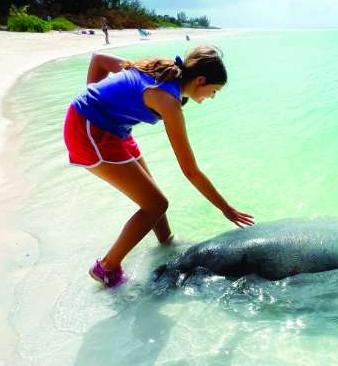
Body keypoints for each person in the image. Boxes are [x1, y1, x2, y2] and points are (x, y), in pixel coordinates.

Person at [63, 45, 254, 288]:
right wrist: (226, 209)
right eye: (213, 91)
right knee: (156, 204)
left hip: (114, 131)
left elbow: (99, 59)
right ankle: (107, 267)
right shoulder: (168, 101)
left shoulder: (162, 70)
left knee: (152, 196)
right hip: (89, 131)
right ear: (200, 80)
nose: (211, 97)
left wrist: (95, 96)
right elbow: (190, 170)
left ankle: (166, 244)